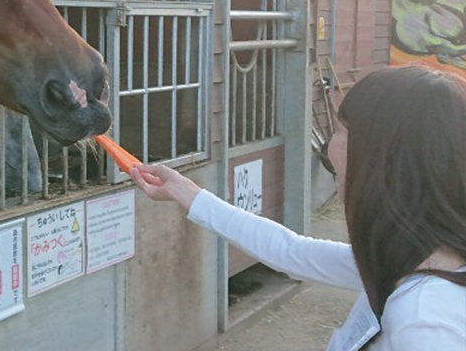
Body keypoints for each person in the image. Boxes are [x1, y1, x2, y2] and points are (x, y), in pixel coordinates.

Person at [130, 64, 466, 351]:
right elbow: (291, 252)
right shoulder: (408, 257)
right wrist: (186, 192)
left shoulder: (424, 321)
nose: (330, 144)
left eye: (340, 130)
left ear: (381, 156)